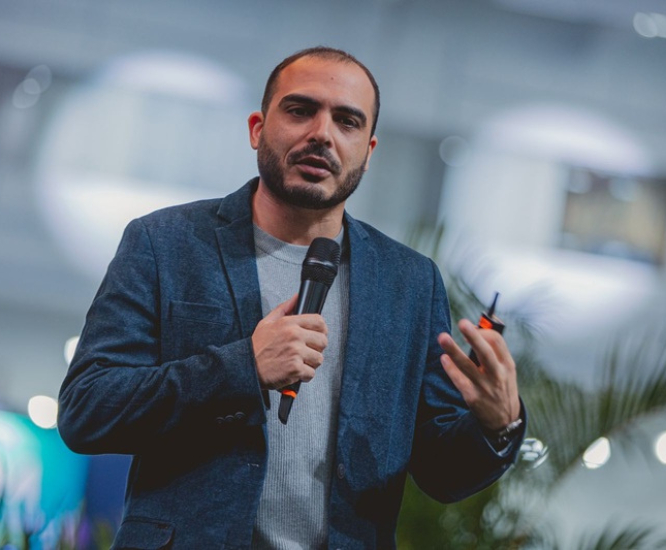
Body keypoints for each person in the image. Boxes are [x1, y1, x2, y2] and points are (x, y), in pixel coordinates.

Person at [58, 46, 525, 549]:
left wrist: (497, 426)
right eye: (301, 110)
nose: (322, 133)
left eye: (347, 121)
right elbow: (88, 410)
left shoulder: (408, 284)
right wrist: (243, 366)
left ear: (368, 151)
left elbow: (442, 476)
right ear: (257, 128)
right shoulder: (167, 244)